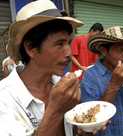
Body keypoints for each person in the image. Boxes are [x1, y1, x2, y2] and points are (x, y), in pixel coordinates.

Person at [0, 0, 86, 135]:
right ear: (31, 48)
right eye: (60, 44)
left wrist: (84, 130)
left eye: (69, 43)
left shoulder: (60, 84)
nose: (69, 53)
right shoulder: (4, 99)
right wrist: (56, 110)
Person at [80, 26, 123, 136]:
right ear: (103, 50)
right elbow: (90, 120)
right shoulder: (90, 77)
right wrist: (114, 85)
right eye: (121, 50)